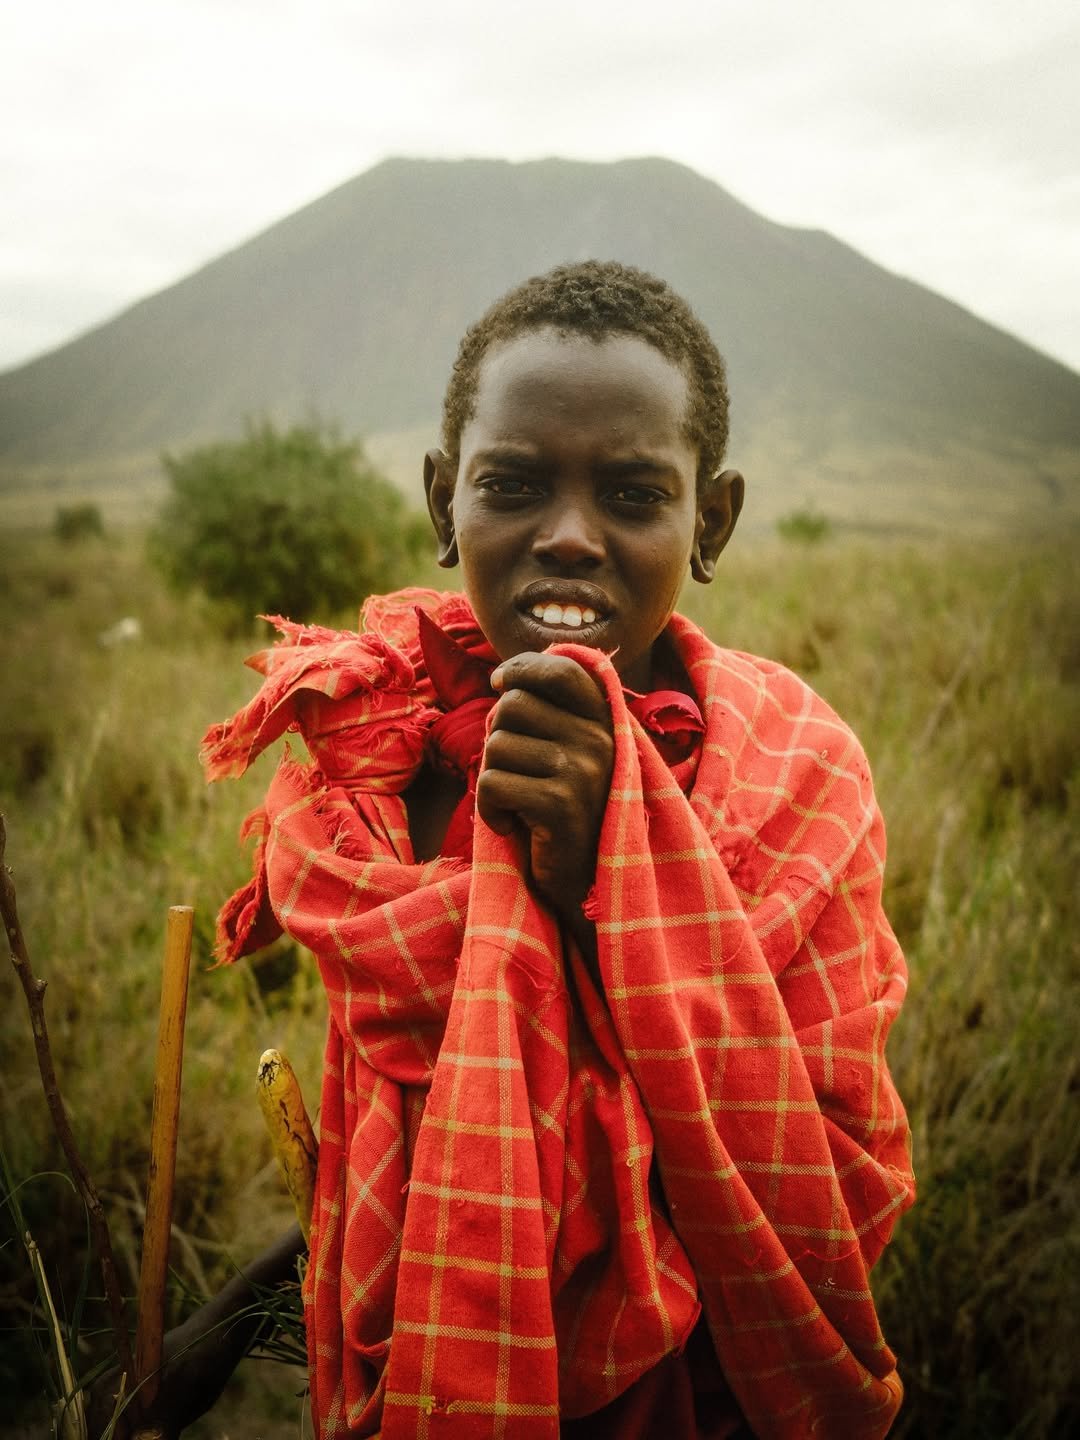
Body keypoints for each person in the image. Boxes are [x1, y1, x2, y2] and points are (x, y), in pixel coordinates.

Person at [122, 260, 915, 1439]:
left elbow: (818, 1180)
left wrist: (613, 876)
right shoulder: (372, 776)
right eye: (514, 484)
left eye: (634, 495)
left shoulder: (792, 775)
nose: (570, 538)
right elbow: (437, 1153)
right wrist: (229, 1322)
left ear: (712, 521)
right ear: (444, 500)